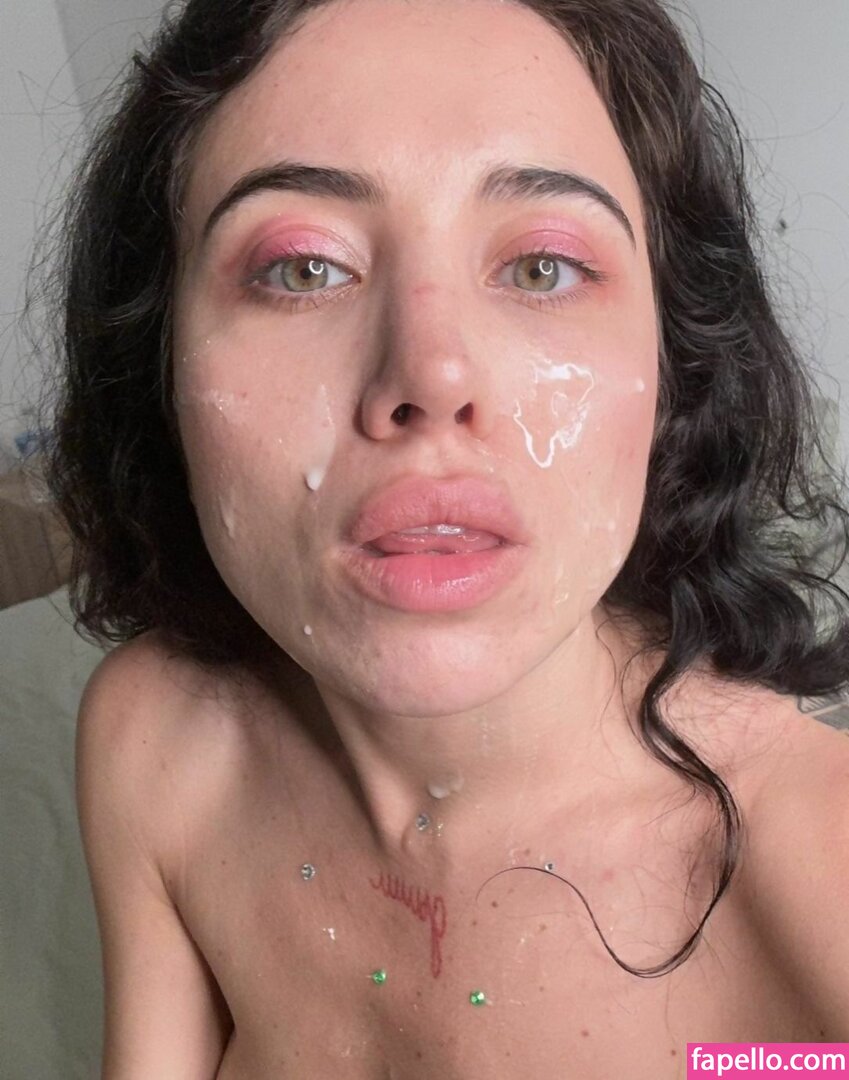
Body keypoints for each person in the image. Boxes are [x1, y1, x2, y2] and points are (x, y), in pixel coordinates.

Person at [40, 0, 849, 1073]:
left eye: (542, 266)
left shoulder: (819, 879)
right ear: (159, 370)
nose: (429, 375)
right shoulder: (158, 744)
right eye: (303, 268)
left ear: (676, 368)